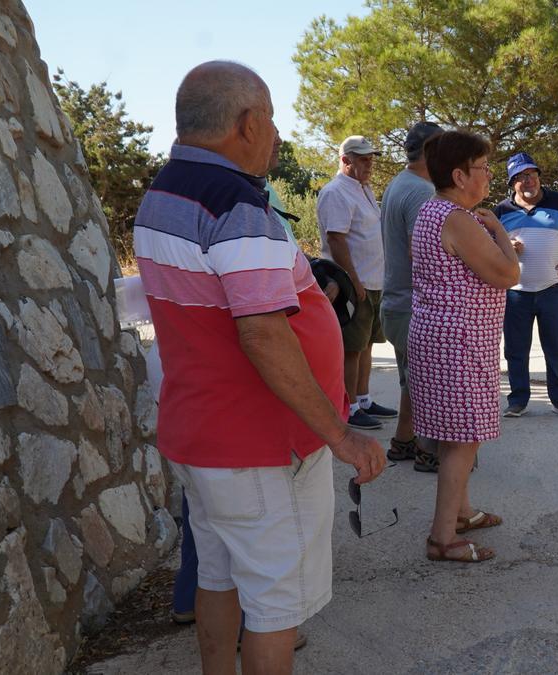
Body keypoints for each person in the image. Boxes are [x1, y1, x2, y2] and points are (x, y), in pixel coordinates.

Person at [134, 60, 385, 673]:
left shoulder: (162, 192)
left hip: (201, 436)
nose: (276, 135)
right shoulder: (237, 207)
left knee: (218, 579)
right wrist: (340, 433)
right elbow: (263, 333)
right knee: (275, 607)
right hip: (263, 449)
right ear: (248, 123)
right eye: (271, 120)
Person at [408, 130, 520, 562]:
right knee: (462, 441)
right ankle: (443, 538)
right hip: (457, 345)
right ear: (459, 174)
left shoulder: (432, 211)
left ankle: (462, 512)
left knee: (459, 435)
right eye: (483, 167)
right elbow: (508, 274)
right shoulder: (457, 219)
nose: (490, 174)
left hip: (443, 340)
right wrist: (500, 232)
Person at [494, 152, 558, 419]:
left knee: (555, 349)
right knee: (515, 349)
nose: (528, 181)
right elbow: (485, 245)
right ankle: (518, 401)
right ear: (512, 182)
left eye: (532, 175)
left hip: (553, 289)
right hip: (515, 293)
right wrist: (506, 247)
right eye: (521, 177)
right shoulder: (501, 211)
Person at [317, 135, 397, 430]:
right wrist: (353, 281)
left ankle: (363, 399)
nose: (369, 164)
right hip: (354, 283)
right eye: (363, 159)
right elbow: (336, 240)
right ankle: (348, 407)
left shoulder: (362, 189)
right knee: (351, 348)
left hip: (373, 281)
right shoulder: (337, 192)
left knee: (366, 346)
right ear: (345, 160)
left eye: (371, 158)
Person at [379, 121, 445, 472]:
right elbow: (419, 253)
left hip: (395, 303)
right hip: (412, 306)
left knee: (411, 378)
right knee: (428, 381)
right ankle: (428, 451)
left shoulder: (397, 184)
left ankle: (402, 441)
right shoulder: (420, 192)